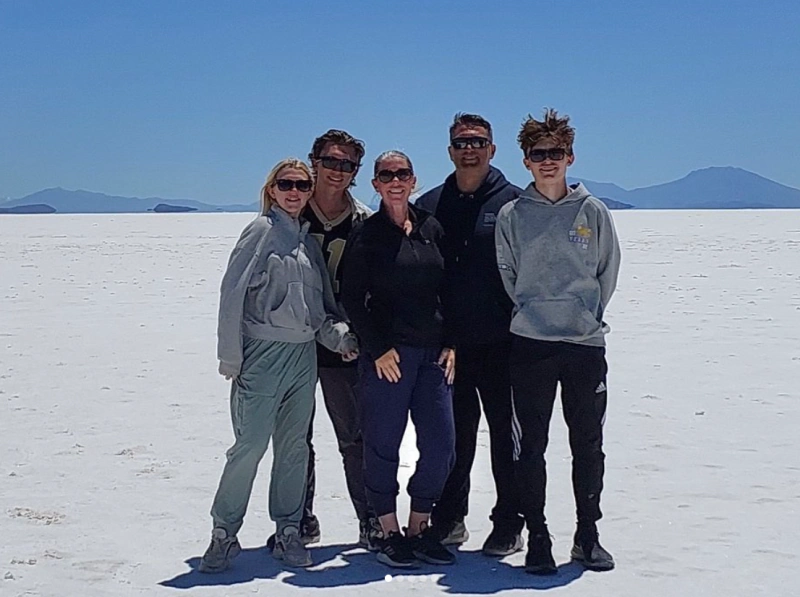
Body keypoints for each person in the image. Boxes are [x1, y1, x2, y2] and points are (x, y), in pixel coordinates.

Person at [199, 158, 358, 573]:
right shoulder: (259, 233)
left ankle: (288, 529)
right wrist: (231, 356)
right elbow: (231, 295)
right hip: (262, 356)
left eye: (301, 185)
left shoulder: (306, 242)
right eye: (285, 184)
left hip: (302, 356)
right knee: (248, 446)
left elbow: (320, 307)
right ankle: (223, 533)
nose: (294, 192)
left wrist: (340, 339)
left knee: (293, 449)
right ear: (272, 189)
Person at [495, 109, 621, 574]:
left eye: (556, 153)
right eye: (538, 154)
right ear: (526, 160)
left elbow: (606, 271)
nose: (548, 161)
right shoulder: (513, 215)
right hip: (531, 343)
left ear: (570, 157)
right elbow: (508, 272)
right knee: (531, 445)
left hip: (584, 345)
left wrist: (584, 315)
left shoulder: (593, 211)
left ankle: (587, 535)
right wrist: (533, 312)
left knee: (587, 444)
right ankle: (540, 538)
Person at [267, 129, 382, 552]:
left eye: (346, 165)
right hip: (293, 342)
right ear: (313, 160)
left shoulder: (365, 224)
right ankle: (298, 518)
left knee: (354, 434)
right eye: (330, 161)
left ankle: (369, 517)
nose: (337, 171)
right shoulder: (290, 215)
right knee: (295, 436)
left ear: (355, 173)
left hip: (343, 342)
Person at [341, 151, 457, 569]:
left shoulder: (430, 227)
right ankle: (389, 531)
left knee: (441, 444)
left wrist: (452, 343)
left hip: (433, 356)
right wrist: (377, 347)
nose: (395, 181)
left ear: (413, 180)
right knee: (383, 444)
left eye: (402, 174)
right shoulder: (368, 235)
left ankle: (419, 526)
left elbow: (450, 289)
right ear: (374, 184)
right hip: (388, 358)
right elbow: (352, 296)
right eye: (386, 175)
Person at [416, 113, 525, 556]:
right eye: (461, 142)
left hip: (504, 343)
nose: (469, 148)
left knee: (506, 435)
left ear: (492, 149)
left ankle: (508, 522)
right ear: (450, 150)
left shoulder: (516, 203)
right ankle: (450, 517)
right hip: (449, 347)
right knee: (452, 436)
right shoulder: (432, 204)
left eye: (478, 141)